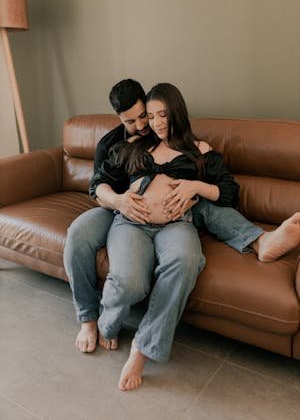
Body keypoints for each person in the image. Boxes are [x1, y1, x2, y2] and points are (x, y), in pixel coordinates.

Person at [64, 78, 300, 355]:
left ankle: (262, 241)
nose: (144, 125)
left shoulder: (195, 150)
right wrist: (119, 201)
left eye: (147, 116)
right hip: (116, 210)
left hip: (179, 218)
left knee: (204, 212)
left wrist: (195, 188)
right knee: (79, 234)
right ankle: (88, 319)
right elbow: (97, 186)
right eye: (137, 120)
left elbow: (227, 192)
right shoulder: (116, 145)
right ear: (119, 118)